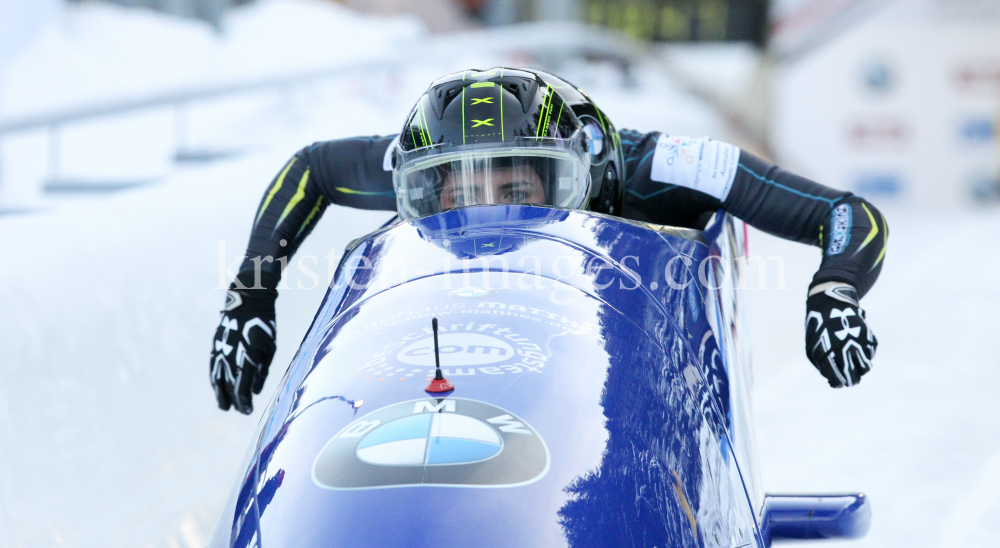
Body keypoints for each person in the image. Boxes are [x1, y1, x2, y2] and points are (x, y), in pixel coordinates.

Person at [210, 67, 888, 414]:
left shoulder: (656, 165)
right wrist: (251, 297)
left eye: (513, 192)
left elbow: (845, 213)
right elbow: (312, 170)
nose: (484, 222)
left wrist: (834, 291)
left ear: (582, 174)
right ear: (422, 189)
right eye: (457, 197)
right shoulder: (419, 160)